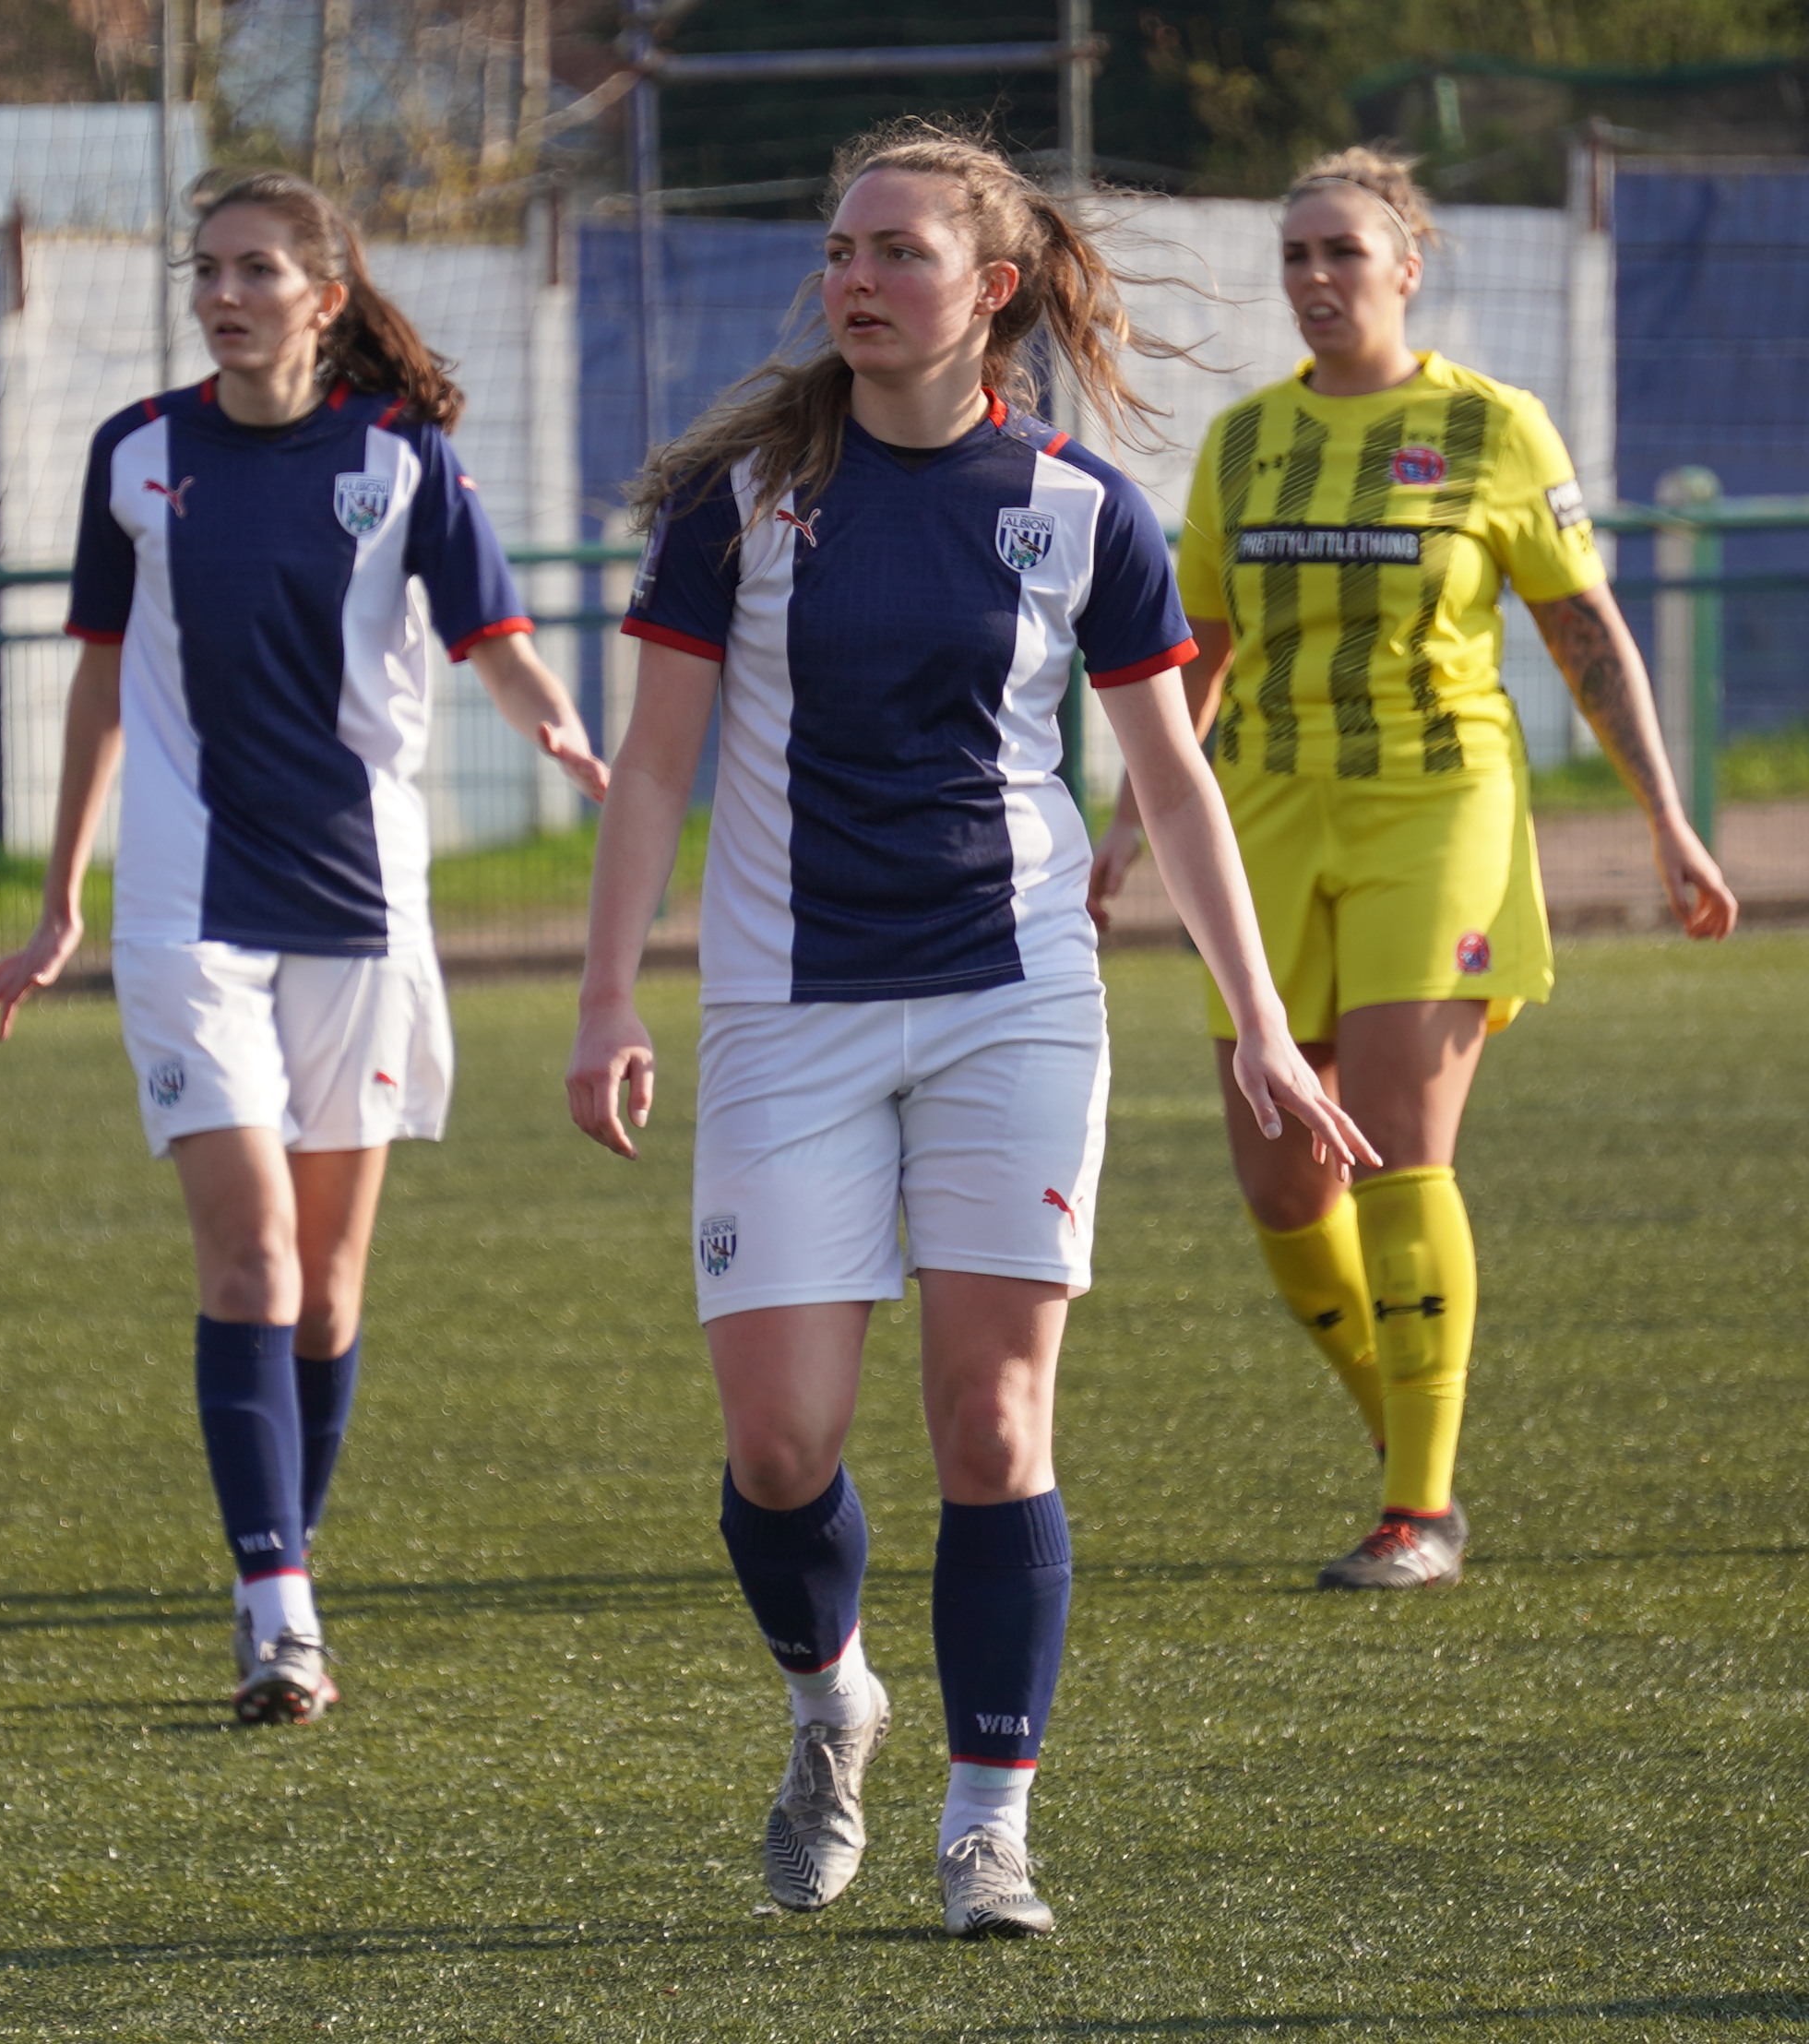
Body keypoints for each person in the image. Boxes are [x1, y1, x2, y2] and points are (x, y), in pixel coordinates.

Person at [565, 123, 1372, 1940]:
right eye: (840, 248)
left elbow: (1171, 778)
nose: (853, 278)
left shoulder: (1082, 509)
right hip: (786, 1012)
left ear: (987, 289)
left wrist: (1262, 1024)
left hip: (1017, 1000)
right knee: (780, 1447)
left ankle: (986, 1822)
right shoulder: (747, 500)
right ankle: (828, 1697)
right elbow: (657, 767)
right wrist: (610, 988)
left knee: (992, 1419)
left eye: (897, 252)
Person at [0, 169, 609, 1721]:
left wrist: (564, 736)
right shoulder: (138, 454)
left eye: (258, 268)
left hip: (362, 912)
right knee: (249, 1254)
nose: (225, 292)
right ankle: (280, 1615)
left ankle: (286, 1565)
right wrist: (63, 897)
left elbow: (496, 646)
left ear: (326, 297)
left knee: (325, 1295)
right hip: (189, 915)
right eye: (208, 270)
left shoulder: (402, 461)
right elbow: (99, 683)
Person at [1088, 148, 1735, 1591]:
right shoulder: (1244, 442)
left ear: (1405, 267)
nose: (1316, 278)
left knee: (1393, 1137)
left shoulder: (1490, 427)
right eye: (1297, 254)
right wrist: (1132, 820)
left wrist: (1665, 820)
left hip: (1433, 812)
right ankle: (1411, 1441)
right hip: (1259, 820)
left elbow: (1585, 634)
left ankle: (1417, 1510)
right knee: (1277, 1183)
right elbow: (1182, 653)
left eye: (1342, 252)